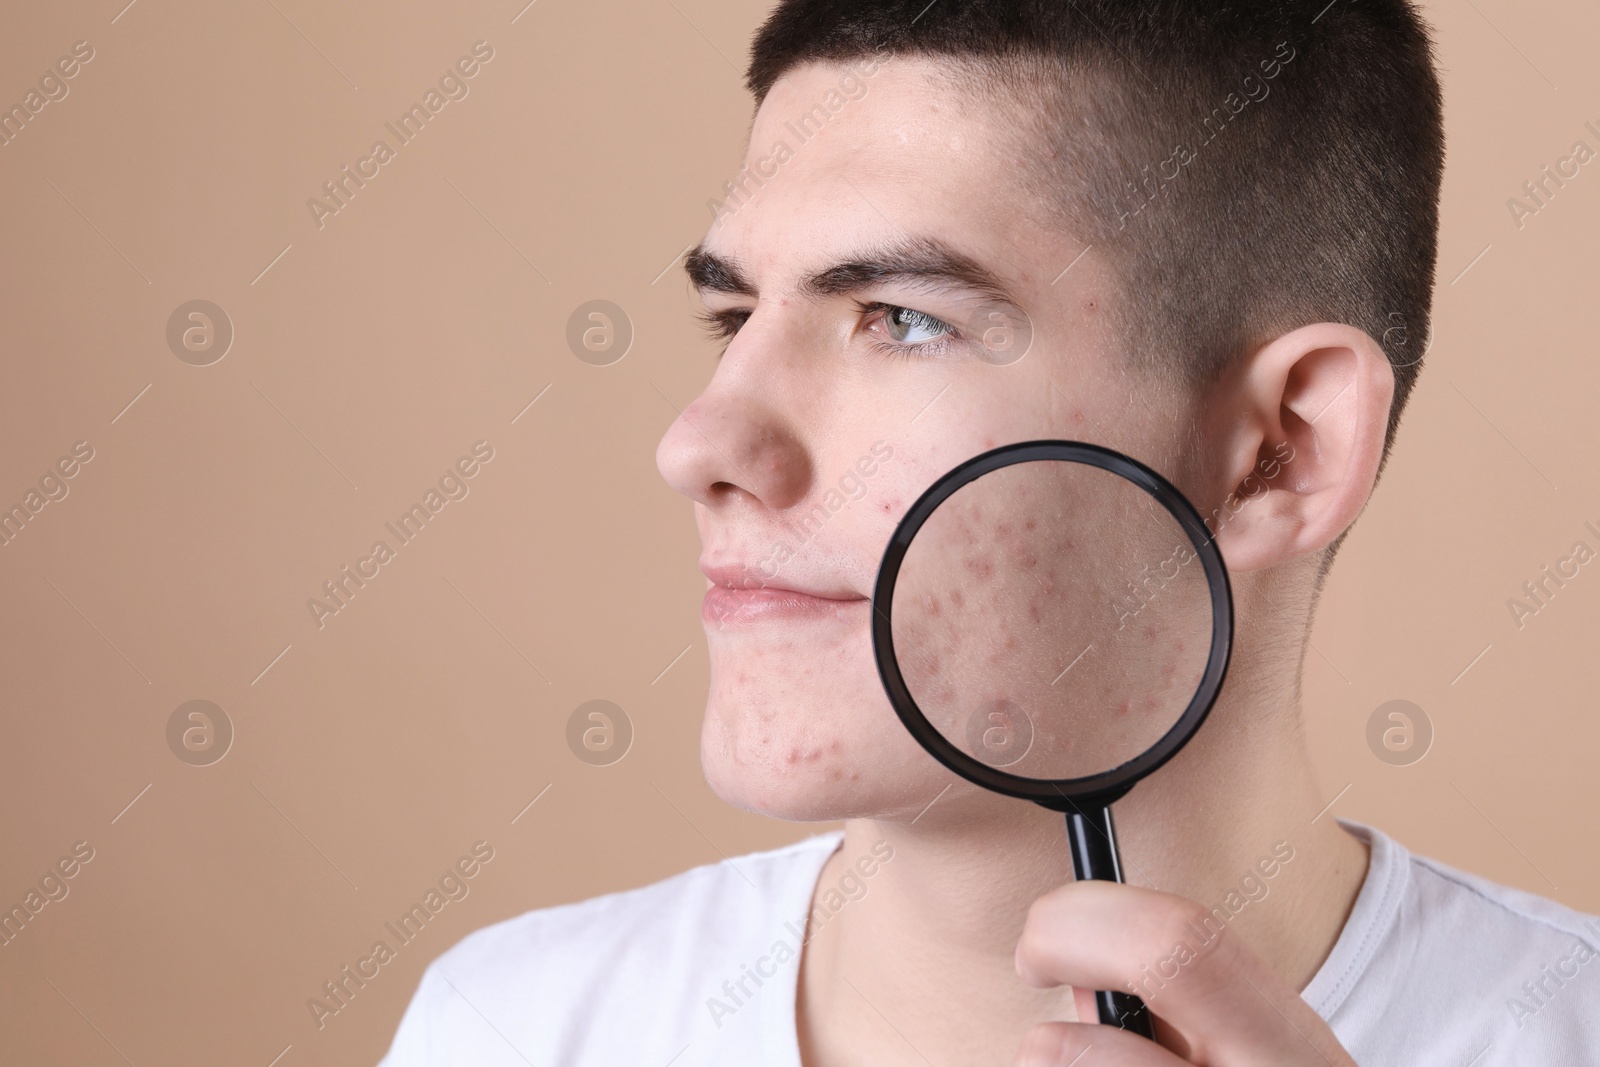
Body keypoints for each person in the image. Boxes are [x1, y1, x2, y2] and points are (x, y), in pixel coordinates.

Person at [380, 2, 1600, 1063]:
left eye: (902, 318)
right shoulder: (513, 1028)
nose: (698, 445)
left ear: (1283, 447)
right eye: (733, 313)